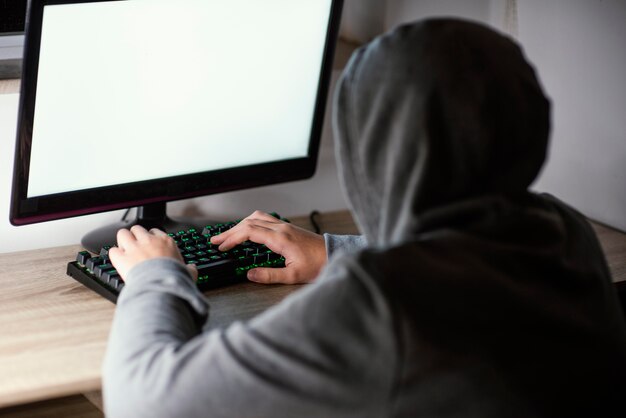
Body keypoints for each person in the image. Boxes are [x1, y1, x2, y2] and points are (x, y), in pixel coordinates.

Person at [103, 19, 626, 417]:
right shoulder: (565, 232)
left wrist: (156, 278)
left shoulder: (381, 305)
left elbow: (144, 402)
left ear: (371, 149)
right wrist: (333, 252)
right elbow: (456, 253)